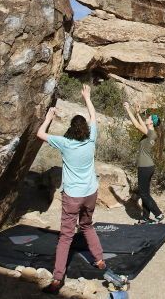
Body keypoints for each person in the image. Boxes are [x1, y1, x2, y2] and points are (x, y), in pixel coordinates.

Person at [37, 85, 106, 294]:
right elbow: (94, 116)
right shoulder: (91, 139)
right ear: (84, 129)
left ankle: (58, 279)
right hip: (90, 192)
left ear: (71, 128)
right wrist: (87, 97)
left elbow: (40, 133)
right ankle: (100, 259)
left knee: (66, 236)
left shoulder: (65, 143)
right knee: (87, 226)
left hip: (73, 195)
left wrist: (49, 116)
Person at [123, 101, 164, 224]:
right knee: (145, 193)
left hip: (145, 167)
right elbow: (142, 126)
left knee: (143, 193)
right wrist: (137, 113)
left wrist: (128, 110)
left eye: (149, 118)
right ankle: (146, 218)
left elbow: (136, 125)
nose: (147, 118)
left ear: (151, 122)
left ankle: (158, 214)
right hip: (147, 166)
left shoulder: (151, 133)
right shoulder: (151, 133)